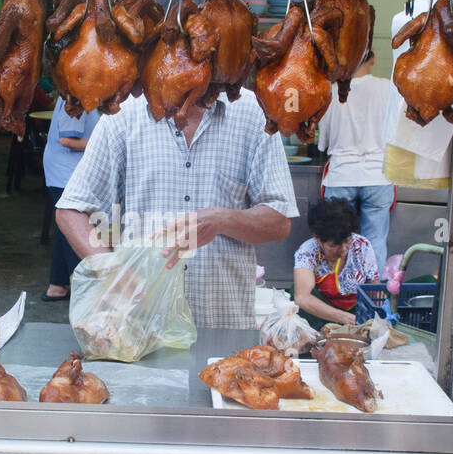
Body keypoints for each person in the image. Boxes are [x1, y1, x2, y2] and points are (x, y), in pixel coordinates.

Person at [55, 92, 296, 330]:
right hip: (142, 325)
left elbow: (279, 222)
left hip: (222, 321)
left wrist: (223, 220)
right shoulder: (124, 114)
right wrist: (111, 272)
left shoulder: (253, 112)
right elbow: (71, 209)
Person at [316, 51, 398, 268]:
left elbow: (322, 143)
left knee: (337, 240)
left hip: (341, 175)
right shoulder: (388, 88)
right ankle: (372, 295)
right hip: (379, 175)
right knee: (375, 241)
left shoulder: (332, 92)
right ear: (373, 60)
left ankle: (340, 294)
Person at [41, 97, 100, 302]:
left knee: (65, 229)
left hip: (64, 172)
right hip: (67, 174)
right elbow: (68, 140)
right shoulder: (78, 96)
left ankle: (56, 287)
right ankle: (86, 295)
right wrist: (106, 141)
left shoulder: (77, 92)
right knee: (77, 230)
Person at [292, 198, 381, 327]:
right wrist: (346, 318)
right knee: (295, 291)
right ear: (317, 238)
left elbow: (373, 285)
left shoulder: (362, 245)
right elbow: (302, 297)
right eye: (335, 245)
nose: (344, 250)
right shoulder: (307, 252)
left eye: (348, 240)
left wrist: (380, 313)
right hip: (323, 313)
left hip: (357, 310)